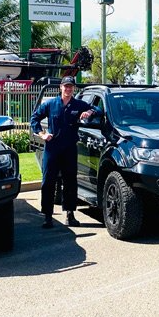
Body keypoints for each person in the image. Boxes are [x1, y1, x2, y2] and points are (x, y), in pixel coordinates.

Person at [30, 76, 98, 229]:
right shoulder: (50, 104)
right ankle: (47, 216)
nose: (68, 89)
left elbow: (96, 109)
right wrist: (42, 134)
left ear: (73, 88)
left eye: (71, 87)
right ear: (60, 87)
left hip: (69, 148)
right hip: (52, 148)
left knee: (70, 182)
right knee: (48, 182)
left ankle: (70, 214)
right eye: (66, 86)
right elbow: (34, 118)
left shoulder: (78, 104)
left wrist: (88, 112)